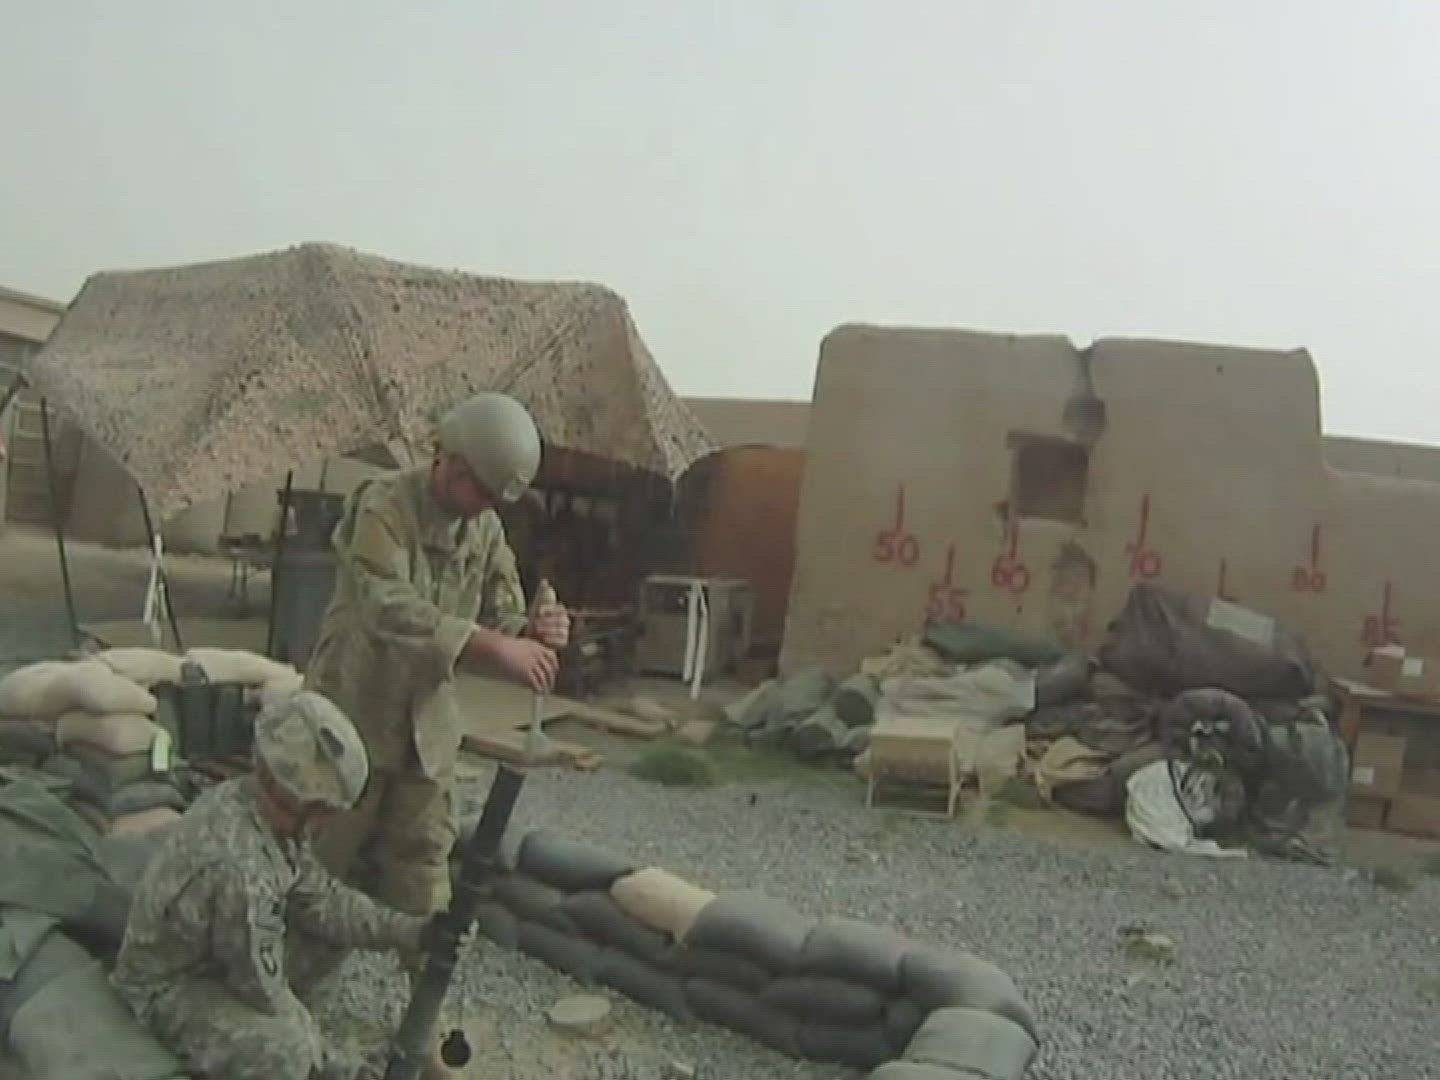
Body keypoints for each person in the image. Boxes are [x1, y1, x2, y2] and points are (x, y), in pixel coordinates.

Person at [303, 391, 571, 924]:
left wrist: (535, 630)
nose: (485, 505)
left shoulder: (485, 530)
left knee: (424, 877)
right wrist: (494, 646)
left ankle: (421, 974)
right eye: (482, 490)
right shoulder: (383, 506)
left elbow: (503, 614)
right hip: (353, 718)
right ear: (451, 461)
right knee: (320, 872)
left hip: (426, 731)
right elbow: (386, 606)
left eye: (495, 498)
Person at [111, 691, 432, 1080]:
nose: (327, 821)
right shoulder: (241, 868)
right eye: (325, 810)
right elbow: (261, 990)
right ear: (297, 800)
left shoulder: (263, 812)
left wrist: (412, 931)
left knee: (333, 934)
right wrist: (337, 1065)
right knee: (288, 1049)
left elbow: (323, 900)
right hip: (163, 992)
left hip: (213, 960)